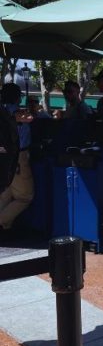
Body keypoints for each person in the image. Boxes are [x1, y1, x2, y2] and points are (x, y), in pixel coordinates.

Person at [0, 83, 33, 236]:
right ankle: (2, 221)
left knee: (6, 194)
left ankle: (6, 228)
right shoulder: (15, 112)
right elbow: (29, 118)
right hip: (18, 156)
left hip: (4, 156)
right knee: (25, 197)